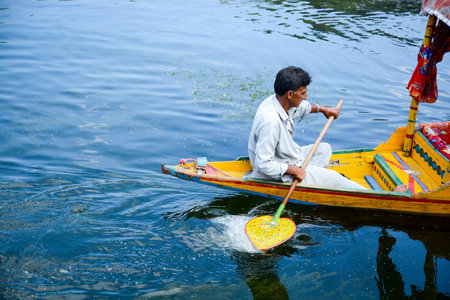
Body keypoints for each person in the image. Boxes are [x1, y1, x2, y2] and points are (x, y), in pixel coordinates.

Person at [247, 66, 368, 190]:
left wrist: (324, 109)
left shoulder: (278, 101)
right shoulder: (270, 122)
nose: (305, 97)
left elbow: (302, 107)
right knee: (334, 178)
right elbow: (263, 164)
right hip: (273, 170)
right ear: (290, 94)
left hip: (288, 158)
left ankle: (308, 178)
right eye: (303, 93)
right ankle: (370, 193)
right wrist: (293, 170)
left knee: (324, 149)